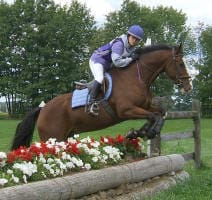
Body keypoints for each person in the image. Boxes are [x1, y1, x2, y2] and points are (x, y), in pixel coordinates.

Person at [88, 24, 144, 115]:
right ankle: (91, 102)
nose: (135, 41)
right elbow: (117, 62)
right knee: (99, 78)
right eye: (133, 38)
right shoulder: (119, 44)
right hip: (97, 60)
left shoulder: (132, 47)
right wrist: (131, 58)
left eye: (137, 39)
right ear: (128, 35)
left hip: (108, 64)